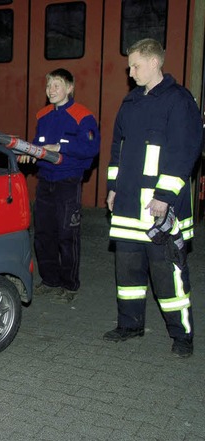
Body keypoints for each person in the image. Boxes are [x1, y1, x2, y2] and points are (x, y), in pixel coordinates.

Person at [103, 39, 203, 357]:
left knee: (168, 275)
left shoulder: (179, 101)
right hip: (129, 205)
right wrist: (113, 188)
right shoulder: (131, 102)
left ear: (155, 63)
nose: (130, 73)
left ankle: (182, 336)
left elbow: (184, 152)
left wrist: (164, 196)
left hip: (160, 208)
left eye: (136, 65)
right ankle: (129, 325)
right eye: (130, 67)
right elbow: (118, 149)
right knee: (128, 272)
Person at [25, 68, 100, 303]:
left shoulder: (82, 116)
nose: (51, 90)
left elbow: (91, 148)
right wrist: (29, 154)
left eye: (57, 85)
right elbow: (39, 145)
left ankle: (69, 285)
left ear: (69, 88)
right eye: (48, 86)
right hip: (45, 181)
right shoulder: (43, 115)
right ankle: (49, 280)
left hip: (68, 182)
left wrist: (61, 148)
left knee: (67, 234)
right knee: (44, 234)